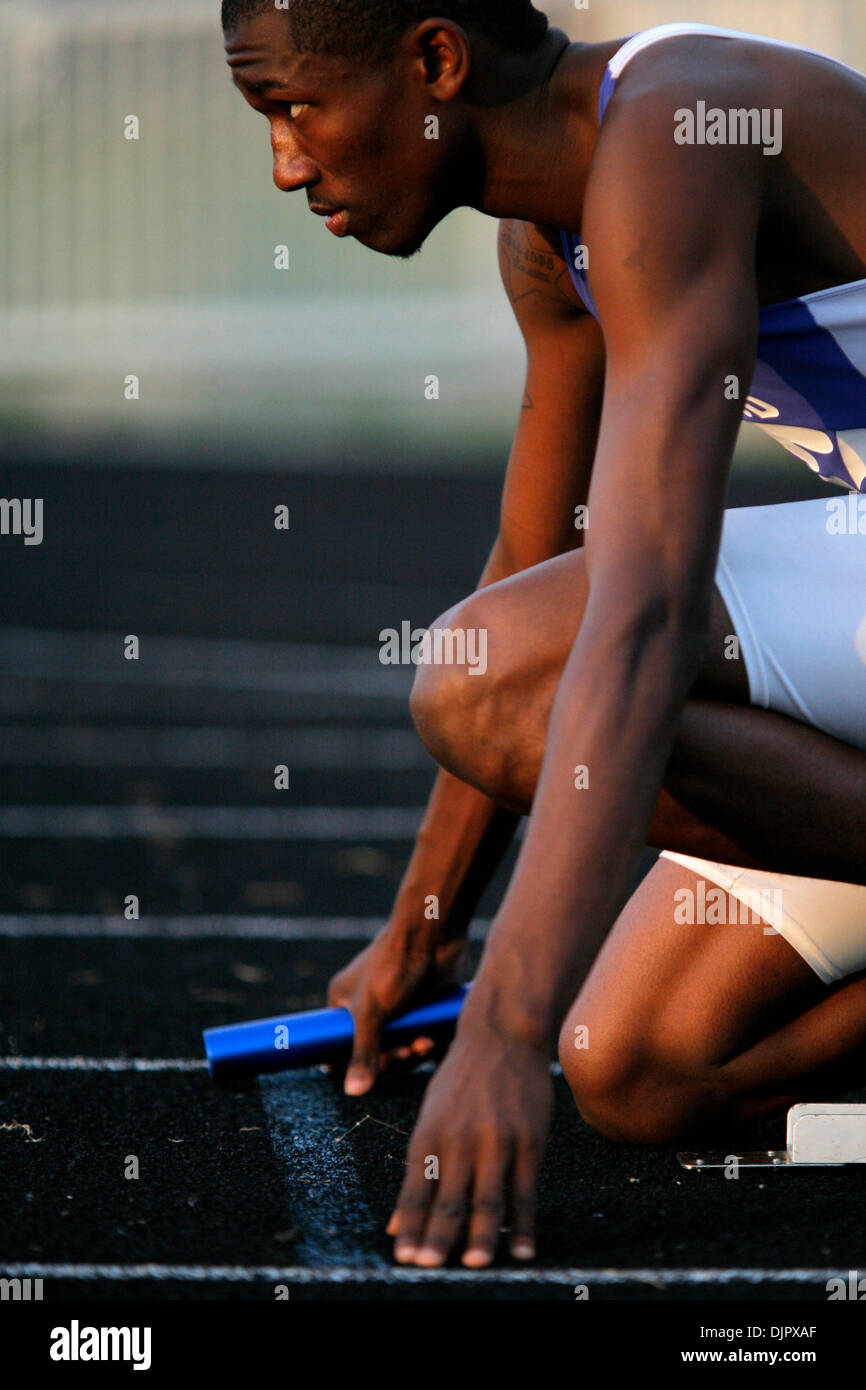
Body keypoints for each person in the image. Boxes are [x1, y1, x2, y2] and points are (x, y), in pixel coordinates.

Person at [223, 2, 866, 1269]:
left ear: (435, 62)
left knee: (493, 673)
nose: (287, 165)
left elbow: (641, 606)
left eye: (294, 106)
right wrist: (424, 929)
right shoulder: (546, 242)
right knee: (639, 1067)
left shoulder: (677, 120)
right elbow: (534, 560)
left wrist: (502, 1030)